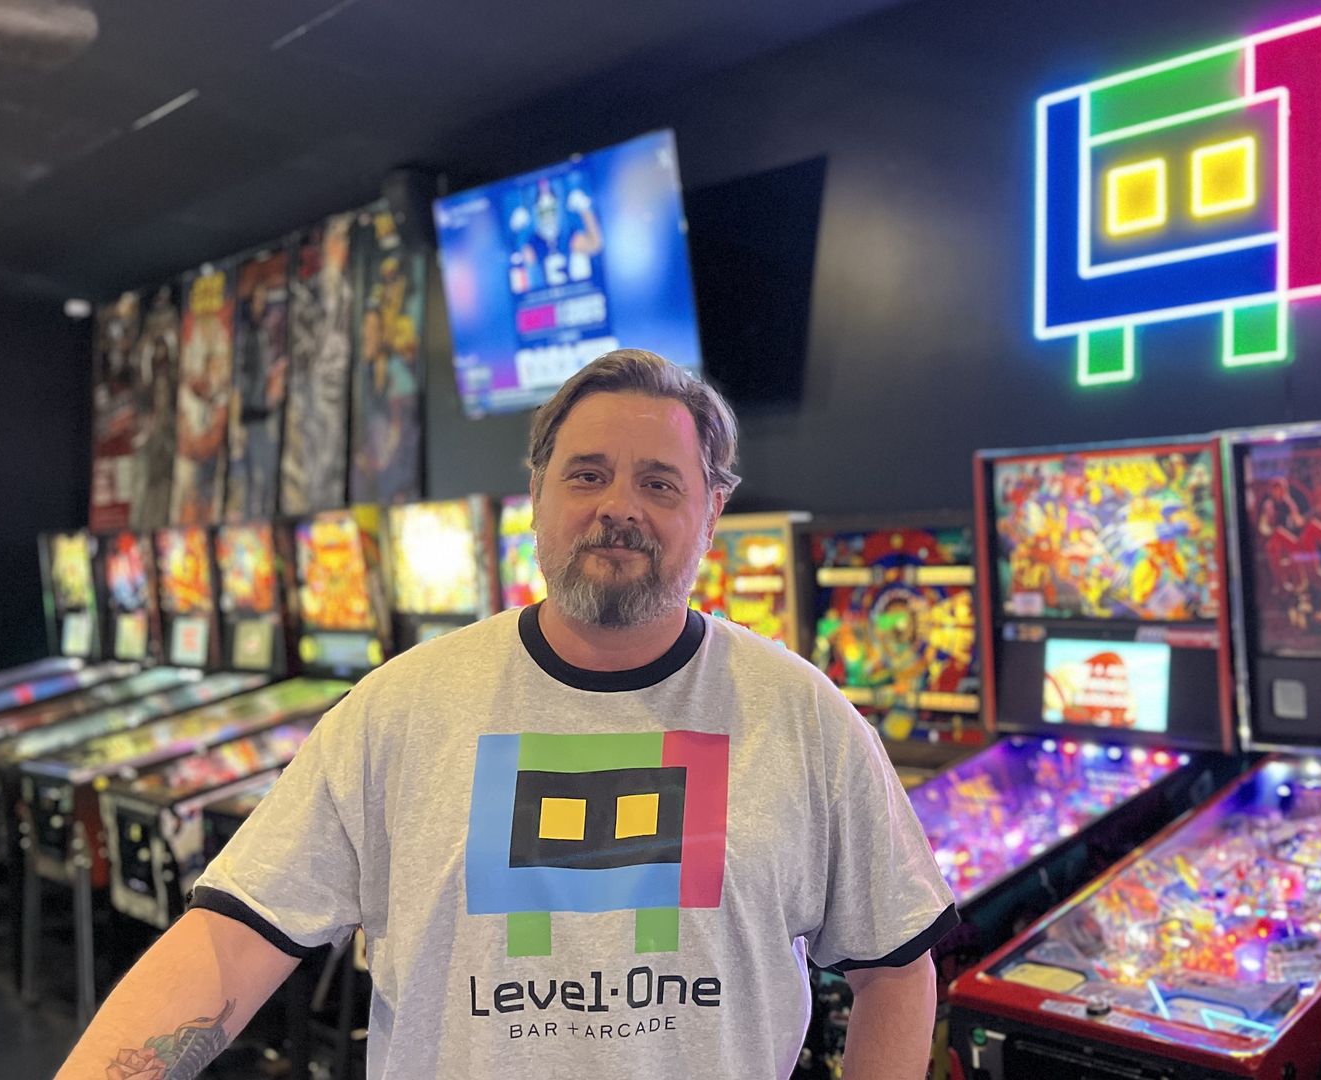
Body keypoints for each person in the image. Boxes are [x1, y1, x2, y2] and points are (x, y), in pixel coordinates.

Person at [57, 349, 956, 1079]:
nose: (618, 508)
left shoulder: (804, 715)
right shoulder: (399, 709)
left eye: (660, 483)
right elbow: (228, 941)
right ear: (537, 495)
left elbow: (897, 971)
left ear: (713, 509)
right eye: (589, 474)